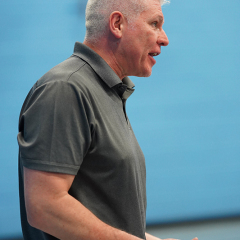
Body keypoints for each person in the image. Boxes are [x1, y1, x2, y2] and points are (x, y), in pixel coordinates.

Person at [17, 0, 198, 239]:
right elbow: (45, 207)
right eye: (155, 24)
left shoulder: (108, 92)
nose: (164, 38)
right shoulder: (65, 89)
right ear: (117, 24)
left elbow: (107, 218)